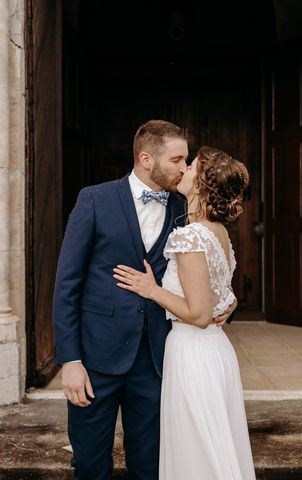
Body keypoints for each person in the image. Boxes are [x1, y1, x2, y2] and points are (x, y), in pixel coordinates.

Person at [53, 121, 235, 479]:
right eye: (177, 159)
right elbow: (67, 284)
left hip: (157, 360)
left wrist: (226, 302)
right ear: (146, 158)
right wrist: (70, 360)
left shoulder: (186, 209)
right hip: (96, 358)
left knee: (151, 464)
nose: (184, 169)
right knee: (89, 464)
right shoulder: (95, 199)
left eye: (186, 161)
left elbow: (207, 266)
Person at [113, 145, 256, 479]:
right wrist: (229, 300)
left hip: (194, 352)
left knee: (197, 449)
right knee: (212, 445)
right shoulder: (217, 232)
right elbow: (219, 292)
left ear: (202, 184)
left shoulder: (190, 237)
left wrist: (152, 290)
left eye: (191, 166)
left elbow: (199, 313)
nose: (184, 169)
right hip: (214, 350)